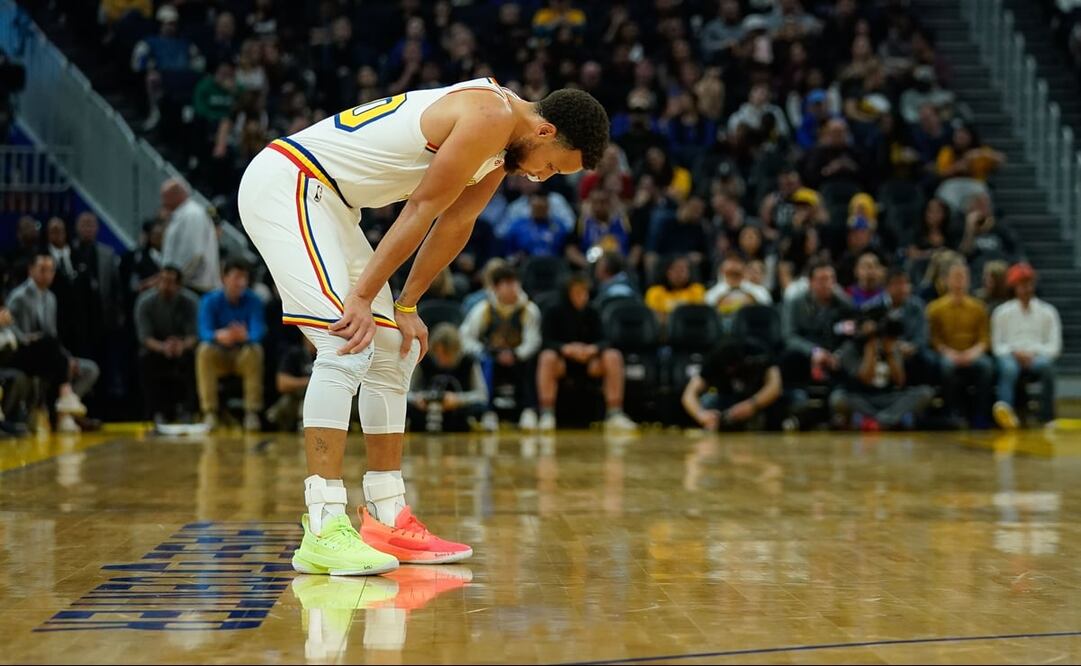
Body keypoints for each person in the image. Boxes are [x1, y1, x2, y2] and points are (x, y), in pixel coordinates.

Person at [238, 77, 608, 574]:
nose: (541, 178)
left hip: (334, 206)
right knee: (345, 340)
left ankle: (386, 516)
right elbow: (421, 208)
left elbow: (456, 224)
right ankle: (323, 526)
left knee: (392, 348)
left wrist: (406, 306)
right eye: (551, 167)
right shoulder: (490, 116)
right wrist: (366, 297)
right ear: (544, 131)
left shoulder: (501, 149)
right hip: (291, 182)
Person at [6, 254, 100, 433]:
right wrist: (57, 355)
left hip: (46, 354)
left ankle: (64, 413)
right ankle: (65, 401)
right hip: (21, 353)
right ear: (31, 270)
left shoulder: (51, 298)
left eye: (50, 270)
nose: (46, 274)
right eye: (42, 270)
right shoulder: (19, 297)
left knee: (89, 368)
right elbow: (19, 337)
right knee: (49, 347)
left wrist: (66, 358)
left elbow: (53, 337)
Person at [535, 274, 637, 432]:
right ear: (568, 294)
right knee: (547, 357)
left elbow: (605, 340)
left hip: (589, 362)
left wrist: (593, 349)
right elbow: (545, 341)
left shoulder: (592, 311)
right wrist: (565, 348)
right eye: (577, 292)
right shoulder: (553, 311)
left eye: (584, 292)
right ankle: (547, 414)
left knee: (613, 356)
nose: (582, 296)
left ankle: (615, 414)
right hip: (563, 361)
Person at [460, 263, 543, 431]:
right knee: (484, 364)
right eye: (507, 284)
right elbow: (466, 336)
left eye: (515, 283)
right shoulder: (484, 309)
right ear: (496, 287)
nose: (513, 288)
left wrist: (516, 354)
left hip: (519, 357)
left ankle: (529, 410)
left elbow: (533, 340)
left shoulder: (529, 310)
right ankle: (488, 412)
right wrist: (482, 351)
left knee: (534, 362)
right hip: (492, 356)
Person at [829, 312, 935, 431]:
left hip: (890, 397)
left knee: (925, 393)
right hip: (862, 397)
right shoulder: (850, 348)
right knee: (838, 398)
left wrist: (889, 353)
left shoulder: (891, 346)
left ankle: (878, 421)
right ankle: (889, 420)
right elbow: (866, 379)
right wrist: (870, 351)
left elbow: (899, 381)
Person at [195, 258, 266, 431]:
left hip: (242, 355)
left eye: (245, 278)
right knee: (203, 351)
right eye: (236, 277)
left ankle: (252, 412)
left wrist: (245, 336)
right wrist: (219, 335)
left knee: (255, 350)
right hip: (219, 354)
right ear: (224, 278)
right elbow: (203, 331)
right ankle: (210, 412)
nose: (241, 282)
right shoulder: (210, 300)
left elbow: (259, 331)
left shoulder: (254, 301)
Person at [991, 263, 1061, 428]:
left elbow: (1054, 346)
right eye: (1022, 284)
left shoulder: (1048, 312)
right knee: (1008, 369)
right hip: (1010, 356)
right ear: (1014, 287)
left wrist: (1032, 353)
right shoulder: (1001, 312)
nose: (1026, 288)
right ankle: (1005, 412)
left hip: (1036, 357)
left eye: (1029, 284)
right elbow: (997, 346)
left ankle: (1047, 416)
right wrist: (1015, 352)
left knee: (1047, 367)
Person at [927, 261, 993, 427]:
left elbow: (985, 339)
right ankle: (951, 412)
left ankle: (981, 414)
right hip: (947, 353)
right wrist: (949, 353)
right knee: (946, 367)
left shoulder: (979, 308)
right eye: (955, 277)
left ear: (968, 280)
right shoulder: (935, 308)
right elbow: (934, 339)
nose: (959, 281)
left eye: (962, 277)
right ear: (947, 280)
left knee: (987, 366)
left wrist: (972, 353)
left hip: (972, 353)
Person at [134, 265, 198, 424]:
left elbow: (195, 335)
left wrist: (181, 346)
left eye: (169, 282)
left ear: (179, 285)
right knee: (145, 358)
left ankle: (188, 409)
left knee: (195, 357)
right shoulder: (145, 302)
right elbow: (144, 337)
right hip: (157, 347)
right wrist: (163, 347)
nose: (164, 285)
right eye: (161, 280)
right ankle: (156, 411)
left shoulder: (190, 302)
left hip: (183, 348)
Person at [682, 339, 784, 431]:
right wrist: (702, 416)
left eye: (734, 367)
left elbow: (775, 387)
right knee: (706, 402)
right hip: (727, 402)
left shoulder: (757, 351)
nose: (731, 370)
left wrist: (752, 405)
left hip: (757, 399)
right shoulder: (714, 359)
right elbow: (688, 394)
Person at [407, 323, 488, 433]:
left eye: (446, 354)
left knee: (479, 408)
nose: (441, 358)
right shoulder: (424, 360)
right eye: (437, 354)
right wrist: (418, 398)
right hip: (427, 409)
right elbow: (406, 392)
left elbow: (482, 395)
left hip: (457, 412)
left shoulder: (468, 361)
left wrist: (458, 400)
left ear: (456, 351)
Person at [161, 178, 221, 295]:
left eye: (165, 196)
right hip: (183, 283)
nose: (163, 202)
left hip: (194, 286)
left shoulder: (192, 214)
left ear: (177, 194)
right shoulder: (183, 214)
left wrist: (175, 279)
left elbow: (193, 254)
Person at [268, 336, 316, 433]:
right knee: (285, 403)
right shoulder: (294, 353)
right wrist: (308, 382)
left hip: (321, 400)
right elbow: (281, 383)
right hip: (297, 398)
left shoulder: (331, 355)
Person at [644, 255, 706, 326]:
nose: (679, 274)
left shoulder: (697, 290)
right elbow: (653, 318)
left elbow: (698, 315)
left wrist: (667, 316)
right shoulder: (654, 292)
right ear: (667, 272)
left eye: (683, 270)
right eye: (675, 269)